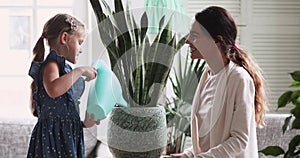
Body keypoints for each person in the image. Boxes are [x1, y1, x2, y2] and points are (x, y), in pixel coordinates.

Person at [169, 6, 268, 158]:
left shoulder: (239, 79)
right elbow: (210, 139)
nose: (188, 41)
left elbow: (239, 140)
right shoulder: (207, 76)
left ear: (217, 41)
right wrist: (188, 155)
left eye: (195, 35)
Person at [27, 13, 100, 158]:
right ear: (64, 38)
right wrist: (80, 70)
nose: (81, 49)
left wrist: (84, 123)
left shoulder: (66, 71)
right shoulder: (51, 65)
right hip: (53, 142)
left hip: (68, 140)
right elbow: (54, 90)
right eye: (79, 42)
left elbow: (65, 114)